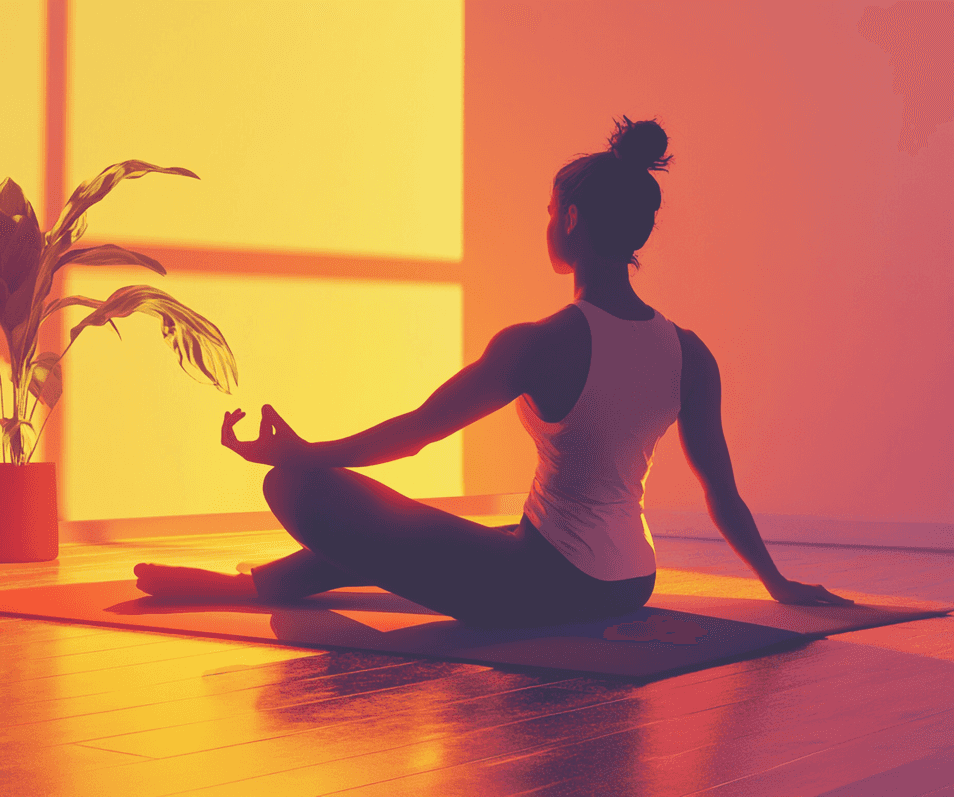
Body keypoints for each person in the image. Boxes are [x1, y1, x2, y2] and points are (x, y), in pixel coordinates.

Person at [135, 116, 852, 626]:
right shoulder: (690, 350)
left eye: (548, 211)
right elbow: (719, 488)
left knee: (298, 489)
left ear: (570, 219)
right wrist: (776, 582)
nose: (544, 224)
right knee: (430, 534)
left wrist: (302, 455)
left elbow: (418, 432)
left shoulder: (538, 343)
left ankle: (251, 585)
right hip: (630, 582)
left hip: (543, 585)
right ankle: (257, 582)